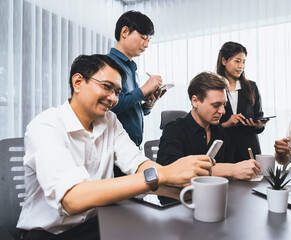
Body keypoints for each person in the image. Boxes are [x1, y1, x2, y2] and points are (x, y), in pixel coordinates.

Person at [16, 54, 211, 240]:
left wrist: (180, 188)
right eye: (107, 87)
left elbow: (137, 163)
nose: (113, 98)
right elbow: (72, 199)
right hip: (50, 234)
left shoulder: (109, 120)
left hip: (96, 224)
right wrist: (164, 174)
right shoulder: (45, 126)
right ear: (78, 82)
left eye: (117, 92)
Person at [156, 72, 261, 180]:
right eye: (216, 105)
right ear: (195, 101)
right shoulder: (174, 130)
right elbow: (169, 170)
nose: (223, 111)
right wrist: (231, 169)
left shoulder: (220, 132)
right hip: (183, 196)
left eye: (224, 104)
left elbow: (229, 171)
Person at [108, 11, 164, 147]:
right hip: (115, 148)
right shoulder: (108, 64)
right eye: (143, 38)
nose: (146, 45)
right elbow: (112, 106)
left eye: (149, 40)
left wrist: (147, 105)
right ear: (125, 32)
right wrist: (144, 90)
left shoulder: (132, 69)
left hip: (131, 147)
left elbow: (129, 111)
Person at [216, 41, 268, 161]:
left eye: (243, 62)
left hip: (249, 149)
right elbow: (206, 124)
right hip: (224, 149)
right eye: (237, 61)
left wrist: (259, 125)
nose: (241, 66)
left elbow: (259, 116)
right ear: (224, 61)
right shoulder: (214, 88)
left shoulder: (251, 87)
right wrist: (225, 124)